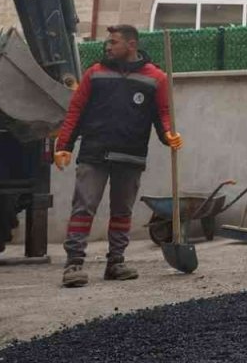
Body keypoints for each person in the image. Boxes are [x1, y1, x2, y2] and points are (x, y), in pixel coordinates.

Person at [53, 25, 183, 288]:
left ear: (131, 45)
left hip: (131, 155)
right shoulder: (95, 74)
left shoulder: (155, 78)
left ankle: (116, 263)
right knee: (83, 207)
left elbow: (163, 114)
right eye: (107, 43)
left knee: (122, 211)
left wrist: (168, 134)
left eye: (113, 42)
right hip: (94, 153)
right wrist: (63, 145)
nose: (108, 47)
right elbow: (75, 111)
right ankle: (74, 264)